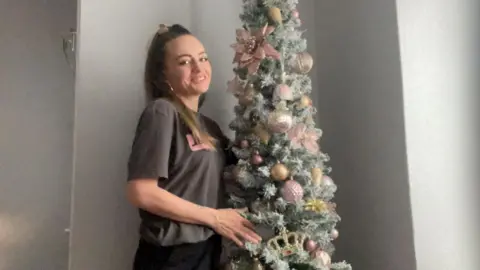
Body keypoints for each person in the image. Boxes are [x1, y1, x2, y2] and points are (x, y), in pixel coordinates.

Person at [126, 24, 261, 270]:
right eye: (185, 62)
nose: (199, 68)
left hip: (207, 251)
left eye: (203, 58)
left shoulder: (210, 127)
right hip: (170, 256)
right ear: (163, 75)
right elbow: (141, 191)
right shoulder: (162, 112)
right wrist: (215, 218)